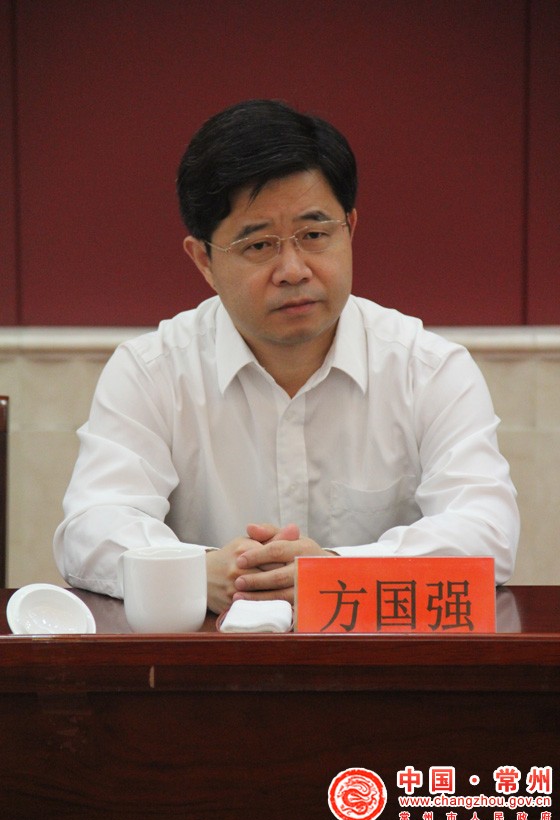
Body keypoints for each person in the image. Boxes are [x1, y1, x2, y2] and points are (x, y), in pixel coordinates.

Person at [54, 99, 519, 614]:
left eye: (314, 235)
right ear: (203, 260)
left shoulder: (429, 370)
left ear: (350, 229)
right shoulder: (150, 373)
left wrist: (334, 574)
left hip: (376, 659)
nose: (293, 270)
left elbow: (487, 532)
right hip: (207, 660)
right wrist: (196, 572)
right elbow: (90, 529)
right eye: (259, 246)